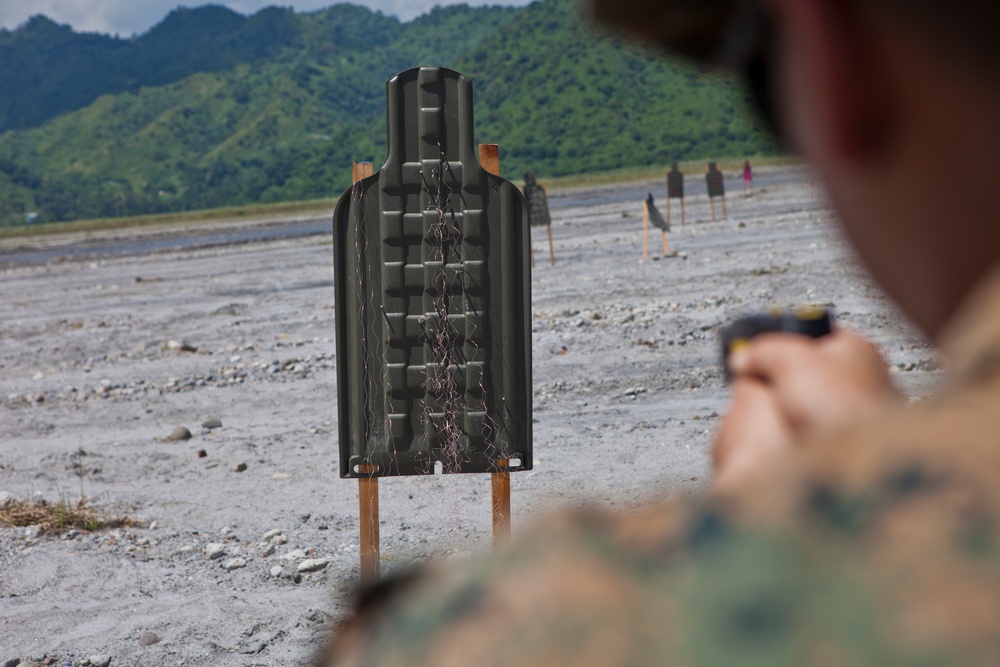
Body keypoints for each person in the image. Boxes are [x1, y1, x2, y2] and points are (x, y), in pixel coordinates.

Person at [320, 0, 1000, 664]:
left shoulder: (510, 631)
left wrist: (784, 527)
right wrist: (882, 464)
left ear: (833, 50)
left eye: (763, 69)